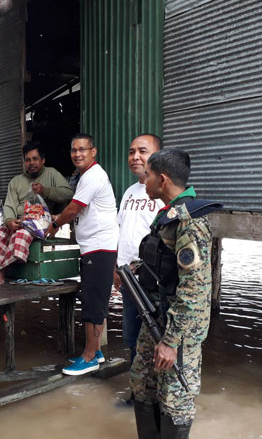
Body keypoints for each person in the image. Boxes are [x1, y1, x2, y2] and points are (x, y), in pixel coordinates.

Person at [130, 148, 221, 438]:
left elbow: (194, 289)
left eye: (148, 176)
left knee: (176, 400)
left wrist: (170, 341)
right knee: (143, 385)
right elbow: (164, 264)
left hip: (177, 331)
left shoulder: (190, 222)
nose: (144, 181)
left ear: (163, 179)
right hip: (156, 317)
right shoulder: (168, 216)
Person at [45, 133, 118, 376]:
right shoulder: (85, 176)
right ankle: (95, 351)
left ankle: (88, 357)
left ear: (93, 152)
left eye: (83, 149)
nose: (78, 154)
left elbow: (74, 209)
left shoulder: (93, 176)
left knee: (93, 302)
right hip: (95, 247)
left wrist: (54, 226)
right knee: (92, 299)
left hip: (100, 247)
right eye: (74, 150)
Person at [0, 141, 73, 287]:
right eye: (28, 160)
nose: (31, 163)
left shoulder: (52, 174)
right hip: (19, 221)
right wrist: (9, 221)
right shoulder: (16, 182)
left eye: (35, 159)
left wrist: (45, 190)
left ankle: (2, 271)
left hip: (39, 224)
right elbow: (9, 205)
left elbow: (68, 194)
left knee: (20, 235)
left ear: (43, 160)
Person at [112, 134, 164, 404]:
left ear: (157, 155)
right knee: (132, 337)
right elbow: (122, 232)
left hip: (151, 282)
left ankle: (155, 396)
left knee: (156, 338)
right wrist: (116, 268)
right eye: (131, 151)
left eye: (142, 151)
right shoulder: (130, 192)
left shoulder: (163, 195)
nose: (135, 157)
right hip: (128, 280)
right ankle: (137, 393)